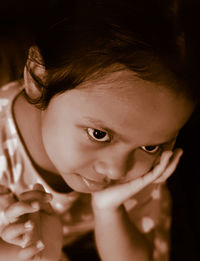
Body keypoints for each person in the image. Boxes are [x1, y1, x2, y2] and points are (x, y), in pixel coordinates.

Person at [0, 0, 197, 260]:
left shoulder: (139, 168)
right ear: (40, 79)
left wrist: (108, 211)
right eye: (99, 134)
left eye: (150, 146)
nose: (117, 170)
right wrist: (24, 251)